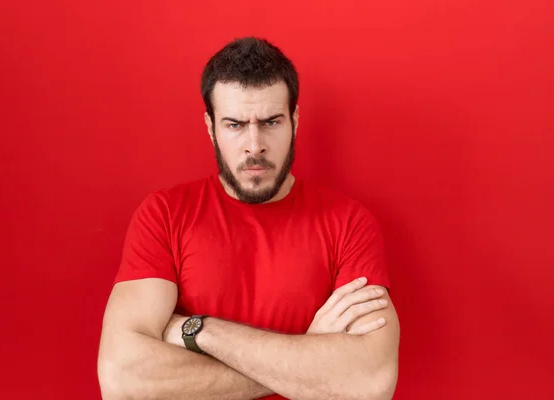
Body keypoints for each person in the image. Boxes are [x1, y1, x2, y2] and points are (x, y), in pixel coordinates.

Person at [97, 37, 400, 400]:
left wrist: (197, 331)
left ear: (295, 120)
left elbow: (370, 382)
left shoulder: (348, 223)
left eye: (271, 122)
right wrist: (308, 355)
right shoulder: (163, 215)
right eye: (235, 124)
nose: (254, 145)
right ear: (211, 127)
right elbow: (123, 381)